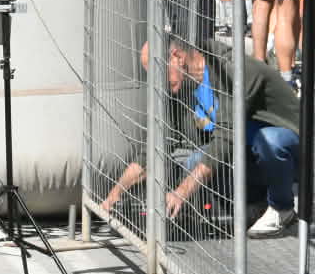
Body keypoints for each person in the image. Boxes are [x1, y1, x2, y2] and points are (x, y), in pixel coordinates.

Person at [98, 38, 303, 238]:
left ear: (177, 57)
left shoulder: (232, 70)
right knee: (195, 159)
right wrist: (115, 195)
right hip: (249, 156)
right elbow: (154, 149)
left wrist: (181, 192)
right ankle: (255, 207)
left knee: (268, 139)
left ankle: (282, 209)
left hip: (294, 152)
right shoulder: (181, 88)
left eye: (158, 73)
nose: (156, 83)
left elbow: (225, 141)